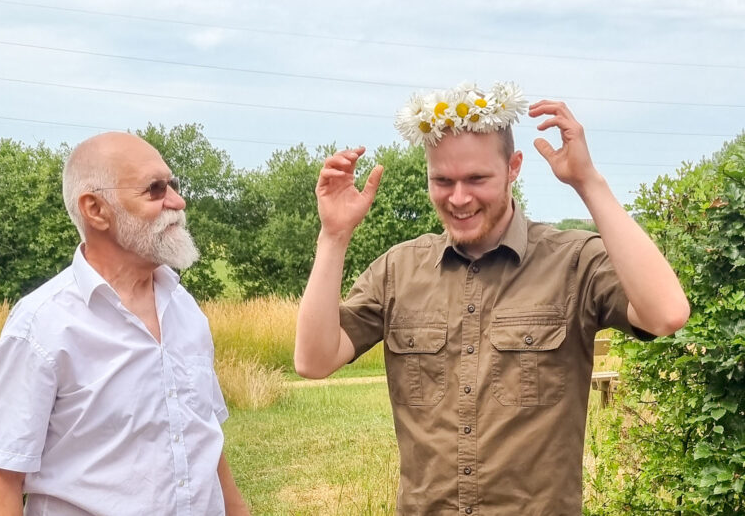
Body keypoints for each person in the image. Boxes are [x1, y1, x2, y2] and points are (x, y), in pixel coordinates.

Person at [294, 82, 690, 515]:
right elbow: (313, 361)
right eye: (442, 180)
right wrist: (333, 236)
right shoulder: (397, 270)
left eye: (476, 179)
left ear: (513, 167)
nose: (459, 198)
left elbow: (666, 314)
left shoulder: (574, 261)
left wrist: (587, 182)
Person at [0, 132, 250, 516]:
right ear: (95, 209)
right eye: (155, 190)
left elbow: (203, 439)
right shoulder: (42, 326)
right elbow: (0, 472)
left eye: (173, 185)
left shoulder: (183, 307)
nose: (178, 201)